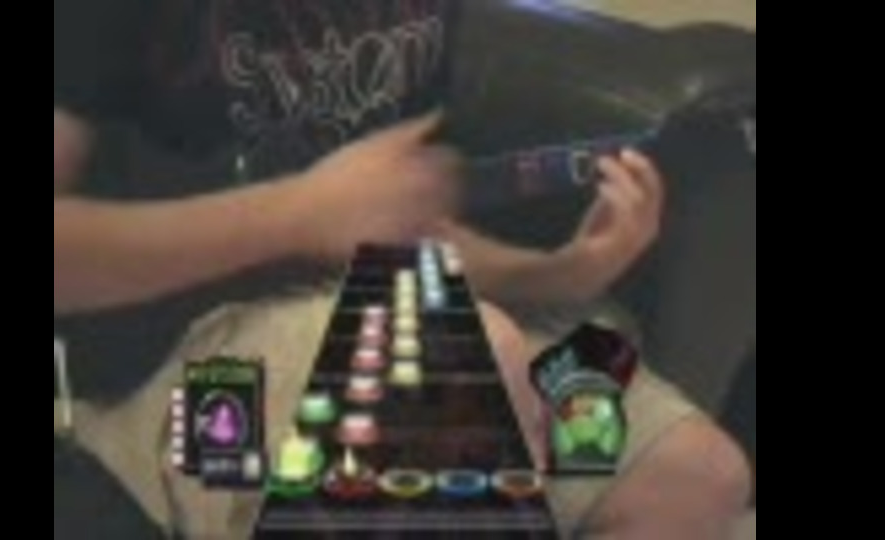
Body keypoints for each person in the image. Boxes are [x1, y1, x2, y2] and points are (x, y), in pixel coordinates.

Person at [54, 1, 751, 538]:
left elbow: (393, 223)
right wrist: (294, 213)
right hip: (154, 354)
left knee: (693, 475)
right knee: (456, 373)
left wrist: (560, 272)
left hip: (365, 298)